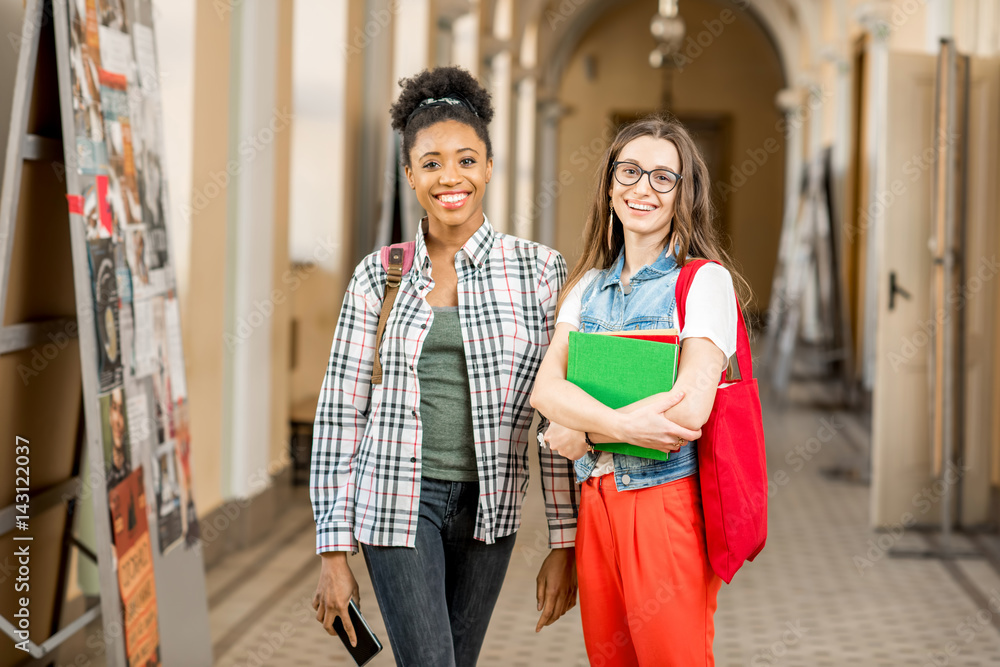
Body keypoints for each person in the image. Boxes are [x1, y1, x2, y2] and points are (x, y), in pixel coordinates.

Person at [310, 66, 579, 667]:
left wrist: (566, 539)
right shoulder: (380, 274)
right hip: (396, 499)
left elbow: (555, 415)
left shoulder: (537, 271)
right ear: (410, 175)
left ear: (487, 166)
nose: (448, 177)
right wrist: (333, 552)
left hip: (493, 507)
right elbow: (340, 409)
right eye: (430, 163)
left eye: (465, 160)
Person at [530, 116, 752, 666]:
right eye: (629, 171)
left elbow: (688, 409)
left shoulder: (703, 282)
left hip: (665, 506)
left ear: (684, 194)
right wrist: (627, 426)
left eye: (662, 177)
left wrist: (582, 426)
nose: (642, 188)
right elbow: (544, 390)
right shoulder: (585, 288)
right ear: (609, 185)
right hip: (595, 505)